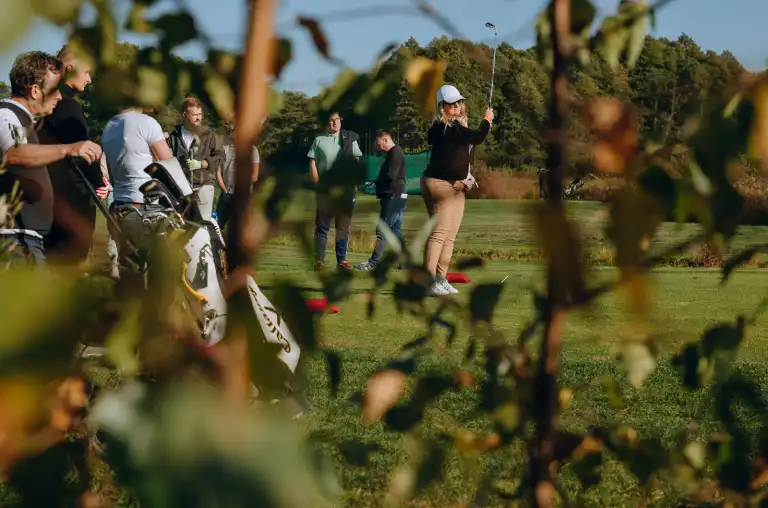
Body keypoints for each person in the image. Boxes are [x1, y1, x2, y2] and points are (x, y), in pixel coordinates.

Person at [0, 51, 102, 267]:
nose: (59, 97)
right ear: (35, 90)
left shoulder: (27, 123)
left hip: (26, 241)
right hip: (12, 241)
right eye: (55, 90)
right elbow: (13, 154)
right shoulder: (6, 115)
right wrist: (68, 149)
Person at [39, 45, 108, 267]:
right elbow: (84, 155)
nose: (89, 79)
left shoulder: (43, 104)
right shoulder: (67, 106)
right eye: (87, 72)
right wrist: (100, 182)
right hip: (70, 198)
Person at [421, 85, 493, 296]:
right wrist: (487, 120)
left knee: (449, 235)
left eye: (458, 103)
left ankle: (440, 279)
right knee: (439, 233)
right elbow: (478, 136)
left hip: (456, 185)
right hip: (439, 184)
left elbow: (462, 154)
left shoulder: (456, 130)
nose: (456, 106)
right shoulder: (444, 128)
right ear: (441, 107)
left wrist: (466, 176)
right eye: (451, 104)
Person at [100, 106, 173, 278]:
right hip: (147, 207)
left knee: (131, 273)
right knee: (161, 274)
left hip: (120, 206)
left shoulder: (110, 126)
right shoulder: (146, 123)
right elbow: (169, 164)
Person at [307, 111, 362, 271]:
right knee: (322, 227)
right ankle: (319, 261)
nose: (334, 123)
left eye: (337, 119)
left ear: (341, 120)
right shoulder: (319, 140)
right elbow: (313, 165)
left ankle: (342, 261)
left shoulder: (350, 139)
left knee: (343, 227)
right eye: (330, 121)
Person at [355, 131, 407, 271]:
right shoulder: (394, 153)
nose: (379, 148)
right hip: (398, 196)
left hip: (393, 196)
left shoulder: (395, 153)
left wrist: (377, 182)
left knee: (382, 230)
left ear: (386, 139)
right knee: (396, 231)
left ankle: (373, 263)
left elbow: (391, 175)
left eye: (380, 144)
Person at [165, 96, 224, 221]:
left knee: (203, 224)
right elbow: (167, 158)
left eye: (200, 114)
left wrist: (203, 163)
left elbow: (220, 156)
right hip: (182, 188)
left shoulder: (210, 135)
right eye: (194, 114)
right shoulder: (174, 135)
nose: (198, 118)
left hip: (204, 185)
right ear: (185, 115)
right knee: (184, 226)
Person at [215, 123, 260, 230]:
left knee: (239, 229)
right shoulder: (223, 150)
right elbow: (218, 173)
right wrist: (225, 191)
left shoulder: (252, 150)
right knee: (216, 225)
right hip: (225, 195)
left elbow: (254, 176)